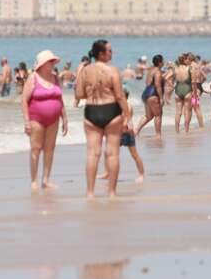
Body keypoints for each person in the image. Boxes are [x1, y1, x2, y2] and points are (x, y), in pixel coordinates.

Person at [75, 39, 131, 198]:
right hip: (111, 110)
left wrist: (92, 92)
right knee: (112, 153)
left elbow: (79, 94)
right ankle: (112, 193)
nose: (112, 53)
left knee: (93, 154)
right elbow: (120, 96)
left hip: (92, 111)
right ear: (101, 53)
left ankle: (90, 193)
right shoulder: (113, 70)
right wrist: (127, 116)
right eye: (109, 50)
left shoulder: (85, 71)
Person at [21, 50, 68, 191]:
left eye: (53, 61)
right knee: (35, 149)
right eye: (50, 62)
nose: (53, 64)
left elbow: (59, 99)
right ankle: (34, 181)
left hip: (53, 120)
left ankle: (46, 180)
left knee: (50, 149)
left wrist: (65, 118)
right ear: (42, 64)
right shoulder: (33, 78)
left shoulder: (55, 78)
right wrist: (26, 121)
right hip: (36, 119)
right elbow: (24, 100)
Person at [99, 90, 145, 185]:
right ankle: (107, 173)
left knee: (134, 155)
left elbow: (125, 121)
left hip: (126, 133)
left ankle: (141, 175)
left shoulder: (127, 106)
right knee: (107, 152)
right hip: (118, 133)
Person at [135, 54, 165, 137]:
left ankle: (136, 131)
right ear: (159, 62)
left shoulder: (150, 70)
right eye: (162, 61)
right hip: (153, 94)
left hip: (146, 93)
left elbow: (147, 82)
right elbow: (157, 85)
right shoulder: (158, 72)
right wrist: (161, 98)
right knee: (158, 115)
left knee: (148, 116)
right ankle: (158, 135)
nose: (163, 62)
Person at [172, 54, 195, 133]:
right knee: (187, 111)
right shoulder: (189, 68)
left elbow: (169, 79)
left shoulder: (175, 69)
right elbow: (193, 82)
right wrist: (195, 93)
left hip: (178, 90)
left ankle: (177, 131)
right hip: (187, 90)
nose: (188, 61)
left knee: (178, 112)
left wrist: (172, 86)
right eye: (187, 59)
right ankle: (186, 130)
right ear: (185, 60)